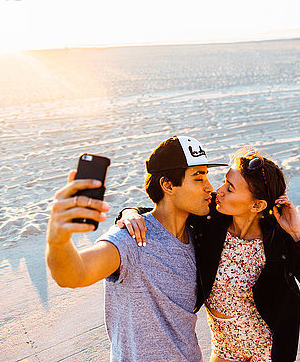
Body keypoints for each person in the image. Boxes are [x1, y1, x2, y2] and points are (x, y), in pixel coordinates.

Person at [118, 148, 300, 362]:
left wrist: (298, 234)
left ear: (256, 205)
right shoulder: (208, 222)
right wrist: (129, 212)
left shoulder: (282, 241)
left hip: (269, 352)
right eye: (225, 181)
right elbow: (165, 212)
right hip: (225, 347)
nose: (219, 190)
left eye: (230, 187)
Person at [46, 135, 227, 362]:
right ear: (168, 185)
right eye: (198, 178)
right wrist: (58, 240)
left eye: (206, 176)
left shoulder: (200, 235)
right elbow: (74, 274)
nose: (209, 187)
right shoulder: (131, 239)